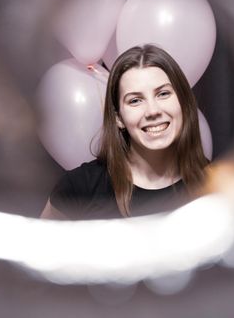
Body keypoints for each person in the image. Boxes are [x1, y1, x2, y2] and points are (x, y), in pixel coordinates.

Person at [41, 44, 209, 220]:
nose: (152, 111)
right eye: (135, 100)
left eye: (163, 94)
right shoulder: (80, 187)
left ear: (183, 102)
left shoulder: (216, 185)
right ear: (118, 118)